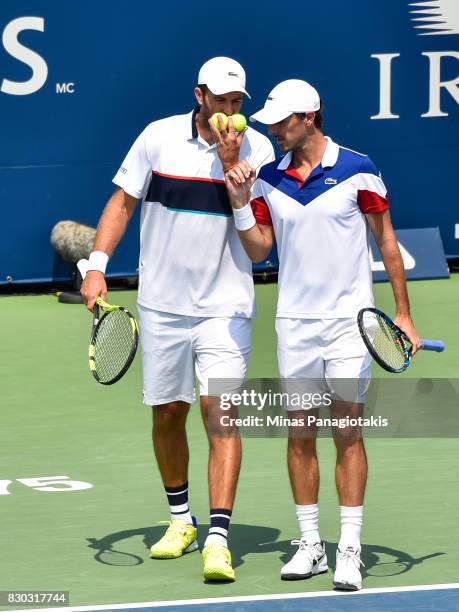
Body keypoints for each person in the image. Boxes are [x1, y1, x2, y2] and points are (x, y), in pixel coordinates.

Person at [220, 79, 421, 591]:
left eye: (280, 121)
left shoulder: (359, 169)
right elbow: (259, 249)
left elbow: (388, 245)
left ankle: (348, 548)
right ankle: (310, 545)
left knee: (348, 430)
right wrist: (240, 199)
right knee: (300, 432)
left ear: (309, 117)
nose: (270, 128)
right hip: (294, 325)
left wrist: (403, 313)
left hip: (350, 324)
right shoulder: (266, 178)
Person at [80, 57, 274, 582]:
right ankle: (180, 520)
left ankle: (217, 536)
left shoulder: (257, 149)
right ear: (199, 96)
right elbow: (122, 203)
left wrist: (238, 184)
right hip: (162, 305)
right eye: (222, 101)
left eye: (238, 103)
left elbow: (259, 247)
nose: (231, 112)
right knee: (168, 414)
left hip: (225, 307)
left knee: (220, 417)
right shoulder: (157, 138)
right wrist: (97, 268)